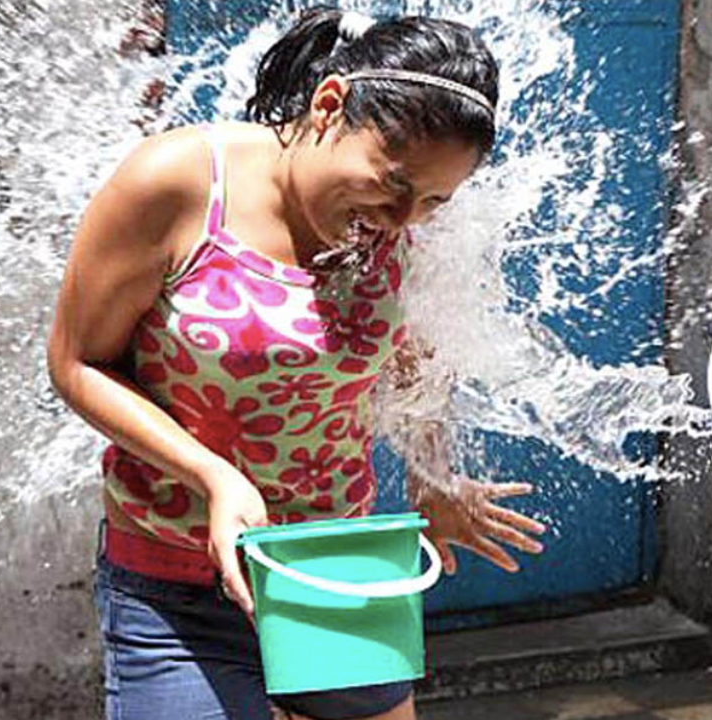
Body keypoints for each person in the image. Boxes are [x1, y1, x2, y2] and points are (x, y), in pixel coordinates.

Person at [46, 8, 546, 720]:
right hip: (180, 581)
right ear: (329, 104)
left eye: (434, 201)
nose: (402, 219)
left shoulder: (404, 229)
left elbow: (415, 370)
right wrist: (214, 477)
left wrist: (432, 480)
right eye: (393, 183)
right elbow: (77, 364)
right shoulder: (177, 184)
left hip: (336, 567)